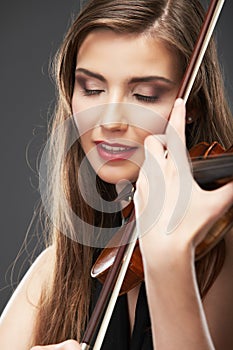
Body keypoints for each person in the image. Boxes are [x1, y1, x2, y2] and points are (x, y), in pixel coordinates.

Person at [1, 0, 233, 349]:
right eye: (92, 89)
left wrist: (168, 259)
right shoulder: (56, 272)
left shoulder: (225, 256)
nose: (110, 121)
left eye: (145, 95)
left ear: (191, 106)